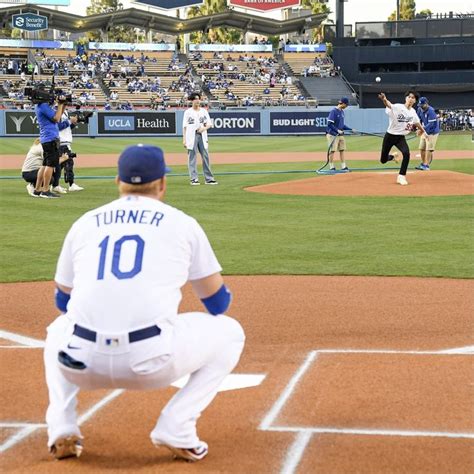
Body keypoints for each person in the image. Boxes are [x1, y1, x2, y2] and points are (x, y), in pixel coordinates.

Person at [43, 144, 245, 462]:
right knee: (231, 332)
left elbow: (62, 300)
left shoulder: (85, 222)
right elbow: (217, 304)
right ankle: (177, 427)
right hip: (151, 362)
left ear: (118, 182)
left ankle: (61, 427)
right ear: (162, 183)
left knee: (57, 329)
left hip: (80, 362)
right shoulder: (182, 223)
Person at [378, 91, 427, 185]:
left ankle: (401, 176)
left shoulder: (413, 112)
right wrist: (384, 99)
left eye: (413, 98)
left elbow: (416, 122)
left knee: (406, 153)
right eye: (409, 97)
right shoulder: (398, 107)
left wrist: (423, 130)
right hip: (390, 136)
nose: (410, 99)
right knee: (383, 160)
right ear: (405, 98)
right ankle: (393, 156)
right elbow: (388, 105)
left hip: (400, 137)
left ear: (415, 101)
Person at [34, 92, 68, 198]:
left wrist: (63, 105)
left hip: (46, 138)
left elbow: (58, 115)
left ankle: (37, 189)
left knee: (45, 164)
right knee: (50, 165)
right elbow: (57, 119)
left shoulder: (39, 106)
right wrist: (60, 104)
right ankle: (45, 190)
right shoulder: (43, 106)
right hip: (50, 138)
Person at [182, 92, 218, 185]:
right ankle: (194, 178)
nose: (197, 101)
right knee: (192, 158)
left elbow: (209, 124)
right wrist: (184, 139)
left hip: (202, 135)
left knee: (205, 156)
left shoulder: (204, 111)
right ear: (192, 101)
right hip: (191, 136)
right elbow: (184, 127)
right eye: (195, 99)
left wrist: (204, 128)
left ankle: (209, 178)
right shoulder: (188, 112)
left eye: (198, 99)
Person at [52, 107, 84, 193]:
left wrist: (75, 122)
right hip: (62, 143)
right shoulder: (56, 111)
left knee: (60, 165)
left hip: (65, 143)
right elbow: (57, 127)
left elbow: (67, 128)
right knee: (68, 163)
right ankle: (71, 184)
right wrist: (70, 121)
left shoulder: (65, 112)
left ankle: (55, 184)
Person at [325, 97, 355, 172]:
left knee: (342, 150)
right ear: (343, 103)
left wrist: (350, 129)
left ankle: (343, 166)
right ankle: (331, 167)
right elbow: (329, 124)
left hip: (340, 135)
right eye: (346, 105)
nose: (347, 106)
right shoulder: (333, 111)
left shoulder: (342, 112)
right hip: (332, 135)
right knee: (332, 150)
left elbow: (342, 125)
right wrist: (337, 130)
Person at [415, 96, 440, 171]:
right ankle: (423, 164)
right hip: (425, 130)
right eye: (420, 105)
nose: (421, 106)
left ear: (426, 103)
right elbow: (418, 120)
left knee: (429, 149)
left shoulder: (431, 111)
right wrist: (418, 129)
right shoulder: (420, 109)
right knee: (422, 148)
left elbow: (431, 124)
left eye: (422, 105)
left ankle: (427, 165)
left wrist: (421, 130)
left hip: (432, 132)